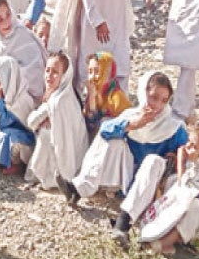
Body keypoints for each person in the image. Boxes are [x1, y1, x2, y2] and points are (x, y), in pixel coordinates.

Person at [59, 73, 188, 217]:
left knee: (153, 160)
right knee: (113, 139)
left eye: (164, 100)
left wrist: (176, 157)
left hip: (151, 184)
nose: (158, 105)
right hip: (127, 179)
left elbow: (189, 154)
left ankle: (125, 219)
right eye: (154, 97)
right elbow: (104, 131)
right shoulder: (131, 115)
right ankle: (80, 189)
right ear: (143, 93)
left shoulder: (173, 127)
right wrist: (134, 124)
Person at [138, 119, 199, 255]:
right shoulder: (196, 165)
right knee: (172, 183)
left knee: (195, 207)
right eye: (188, 143)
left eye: (194, 146)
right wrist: (181, 165)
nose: (188, 148)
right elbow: (181, 159)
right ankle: (160, 229)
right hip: (183, 215)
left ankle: (163, 244)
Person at [25, 52, 88, 189]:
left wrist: (43, 120)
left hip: (69, 160)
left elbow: (32, 122)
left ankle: (50, 178)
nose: (49, 76)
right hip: (71, 158)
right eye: (47, 70)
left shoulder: (59, 101)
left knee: (46, 134)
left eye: (55, 72)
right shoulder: (63, 95)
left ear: (64, 76)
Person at [0, 56, 37, 175]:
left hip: (22, 138)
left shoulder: (22, 100)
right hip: (6, 130)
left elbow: (3, 123)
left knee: (8, 137)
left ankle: (16, 163)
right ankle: (1, 157)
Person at [0, 0, 47, 100]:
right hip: (2, 93)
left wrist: (9, 77)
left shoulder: (22, 34)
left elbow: (35, 71)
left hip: (27, 96)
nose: (6, 22)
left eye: (8, 15)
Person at [82, 51, 131, 136]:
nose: (92, 76)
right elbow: (90, 125)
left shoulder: (117, 98)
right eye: (90, 72)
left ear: (108, 73)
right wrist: (92, 99)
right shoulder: (93, 95)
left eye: (97, 71)